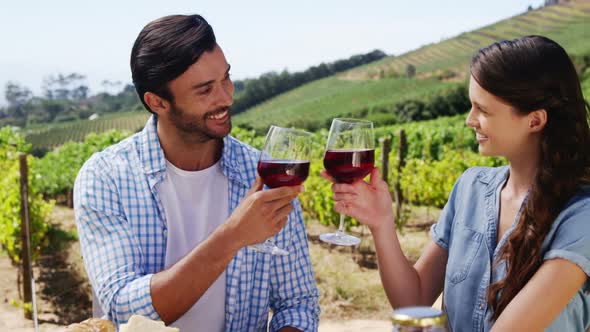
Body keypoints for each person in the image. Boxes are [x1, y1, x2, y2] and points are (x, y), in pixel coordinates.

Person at [321, 35, 590, 331]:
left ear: (535, 121)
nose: (469, 120)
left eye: (483, 110)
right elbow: (414, 302)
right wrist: (381, 223)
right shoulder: (470, 188)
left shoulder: (581, 216)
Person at [74, 14, 320, 332]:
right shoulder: (105, 178)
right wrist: (232, 236)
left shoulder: (263, 174)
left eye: (226, 78)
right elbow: (123, 308)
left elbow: (297, 304)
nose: (226, 97)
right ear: (157, 102)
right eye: (205, 91)